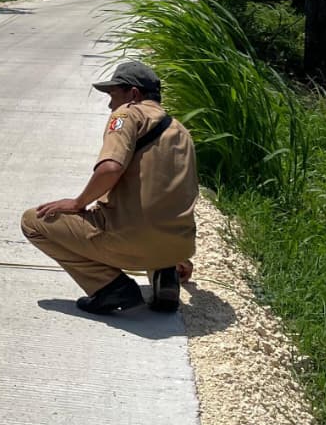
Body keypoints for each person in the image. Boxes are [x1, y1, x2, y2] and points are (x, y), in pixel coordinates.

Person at [20, 60, 197, 315]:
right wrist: (176, 254)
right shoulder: (182, 132)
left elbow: (111, 168)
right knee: (151, 216)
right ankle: (164, 273)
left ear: (133, 94)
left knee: (33, 221)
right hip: (178, 245)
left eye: (114, 95)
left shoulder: (127, 114)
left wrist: (77, 203)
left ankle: (110, 287)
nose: (110, 104)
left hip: (129, 242)